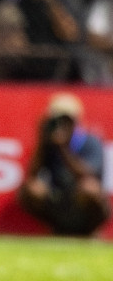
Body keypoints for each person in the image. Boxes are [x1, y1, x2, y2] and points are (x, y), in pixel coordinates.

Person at [17, 93, 110, 237]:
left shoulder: (90, 141)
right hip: (59, 199)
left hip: (82, 205)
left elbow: (87, 174)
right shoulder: (49, 144)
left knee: (89, 188)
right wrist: (42, 143)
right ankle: (57, 229)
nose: (62, 125)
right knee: (32, 189)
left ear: (75, 121)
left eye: (66, 120)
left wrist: (64, 148)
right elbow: (31, 175)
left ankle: (90, 232)